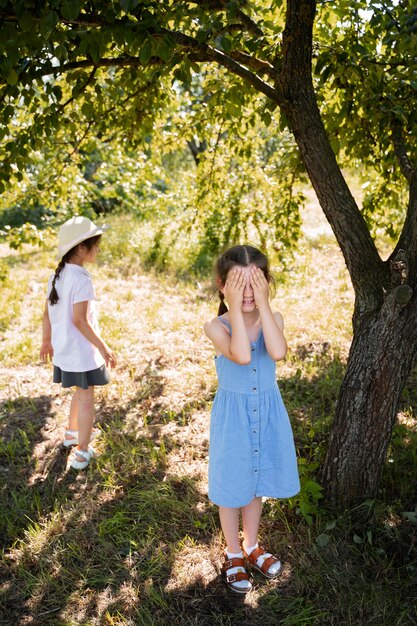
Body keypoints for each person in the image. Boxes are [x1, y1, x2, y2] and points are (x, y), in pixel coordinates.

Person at [204, 244, 300, 594]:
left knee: (256, 480)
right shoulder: (216, 325)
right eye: (238, 285)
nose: (247, 293)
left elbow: (277, 352)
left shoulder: (273, 319)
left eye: (255, 284)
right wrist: (234, 306)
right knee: (232, 485)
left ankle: (251, 545)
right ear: (222, 285)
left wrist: (264, 304)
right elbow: (242, 355)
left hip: (267, 412)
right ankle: (233, 553)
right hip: (234, 418)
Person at [40, 216, 117, 470]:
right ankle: (83, 452)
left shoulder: (57, 276)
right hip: (82, 352)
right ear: (82, 248)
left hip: (65, 350)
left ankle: (73, 433)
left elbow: (46, 313)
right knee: (86, 399)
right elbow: (80, 321)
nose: (99, 249)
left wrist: (46, 341)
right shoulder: (81, 279)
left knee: (79, 392)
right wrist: (104, 347)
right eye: (96, 244)